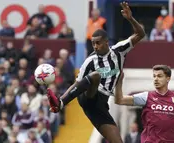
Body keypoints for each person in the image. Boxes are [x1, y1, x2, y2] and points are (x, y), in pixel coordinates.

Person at [46, 1, 145, 143]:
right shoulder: (90, 60)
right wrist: (61, 100)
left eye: (98, 43)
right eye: (93, 43)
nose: (95, 46)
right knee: (96, 75)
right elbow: (78, 83)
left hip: (101, 106)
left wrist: (130, 18)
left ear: (106, 42)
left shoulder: (119, 50)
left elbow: (140, 34)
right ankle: (60, 104)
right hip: (89, 96)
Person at [114, 65, 174, 143]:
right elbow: (120, 100)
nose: (156, 79)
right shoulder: (146, 96)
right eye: (154, 76)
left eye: (159, 76)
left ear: (168, 78)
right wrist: (118, 82)